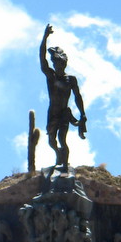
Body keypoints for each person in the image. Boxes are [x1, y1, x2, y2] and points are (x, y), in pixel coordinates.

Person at [40, 24, 87, 171]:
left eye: (60, 64)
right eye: (55, 64)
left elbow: (77, 97)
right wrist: (45, 37)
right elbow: (42, 58)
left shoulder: (71, 79)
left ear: (64, 64)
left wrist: (82, 114)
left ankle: (64, 165)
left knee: (62, 139)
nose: (57, 66)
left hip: (64, 113)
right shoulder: (51, 76)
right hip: (52, 113)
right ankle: (58, 155)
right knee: (51, 140)